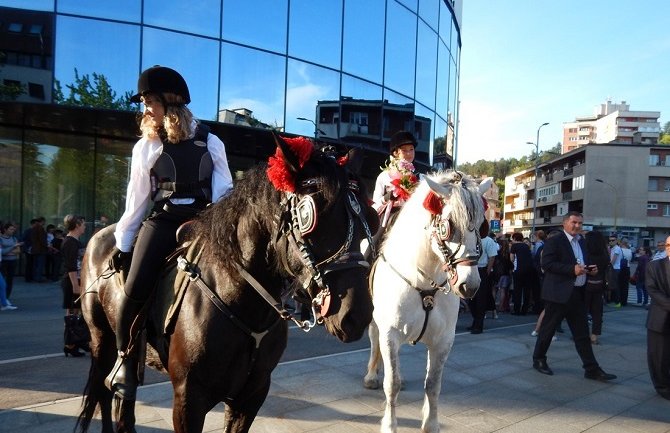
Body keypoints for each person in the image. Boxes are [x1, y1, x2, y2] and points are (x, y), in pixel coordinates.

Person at [105, 65, 233, 400]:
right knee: (133, 290)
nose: (145, 109)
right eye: (145, 103)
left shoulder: (212, 141)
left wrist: (220, 232)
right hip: (163, 222)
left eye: (149, 102)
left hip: (203, 224)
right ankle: (124, 363)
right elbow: (136, 201)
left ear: (169, 102)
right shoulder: (146, 146)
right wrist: (125, 241)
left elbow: (224, 193)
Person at [531, 211, 617, 381]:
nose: (577, 226)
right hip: (557, 294)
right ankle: (539, 360)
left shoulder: (582, 242)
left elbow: (581, 263)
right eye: (574, 222)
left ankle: (591, 369)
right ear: (565, 223)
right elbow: (547, 264)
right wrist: (572, 270)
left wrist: (591, 270)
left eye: (580, 223)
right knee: (547, 330)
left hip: (577, 293)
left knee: (582, 333)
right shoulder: (555, 240)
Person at [644, 235, 670, 400]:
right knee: (658, 356)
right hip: (660, 318)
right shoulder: (654, 266)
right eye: (668, 244)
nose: (668, 247)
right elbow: (652, 290)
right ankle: (663, 387)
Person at [372, 131, 418, 221]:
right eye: (404, 150)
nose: (409, 153)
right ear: (395, 153)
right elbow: (374, 207)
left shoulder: (420, 177)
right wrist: (386, 198)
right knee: (375, 234)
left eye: (411, 149)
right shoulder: (384, 177)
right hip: (390, 217)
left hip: (413, 217)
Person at [61, 215, 86, 357]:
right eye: (82, 224)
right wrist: (75, 286)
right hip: (72, 282)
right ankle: (70, 345)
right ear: (77, 225)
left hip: (77, 281)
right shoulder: (70, 242)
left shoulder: (76, 241)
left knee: (77, 313)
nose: (84, 226)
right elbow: (70, 266)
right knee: (71, 314)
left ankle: (77, 341)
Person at [467, 231, 499, 334]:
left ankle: (478, 325)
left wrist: (487, 271)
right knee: (470, 298)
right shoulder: (470, 238)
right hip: (470, 269)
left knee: (481, 299)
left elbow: (492, 257)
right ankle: (475, 321)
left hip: (481, 269)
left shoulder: (488, 240)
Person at [583, 230, 609, 345]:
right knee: (597, 312)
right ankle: (594, 336)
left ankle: (583, 334)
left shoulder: (586, 253)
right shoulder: (604, 253)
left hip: (586, 284)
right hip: (599, 284)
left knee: (582, 311)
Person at [510, 232, 534, 315]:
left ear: (515, 239)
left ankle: (517, 310)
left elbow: (512, 259)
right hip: (529, 270)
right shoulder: (526, 246)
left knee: (518, 291)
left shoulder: (514, 246)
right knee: (527, 291)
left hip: (518, 271)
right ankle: (525, 310)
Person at [1, 222, 23, 300]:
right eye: (11, 229)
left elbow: (18, 251)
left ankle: (6, 298)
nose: (12, 231)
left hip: (13, 261)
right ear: (5, 229)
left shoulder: (14, 238)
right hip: (3, 262)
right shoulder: (1, 239)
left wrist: (8, 251)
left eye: (13, 229)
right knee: (2, 280)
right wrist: (13, 246)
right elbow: (2, 252)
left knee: (10, 280)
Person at [607, 236, 623, 307]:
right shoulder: (611, 248)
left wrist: (609, 266)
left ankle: (618, 302)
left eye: (612, 240)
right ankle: (613, 300)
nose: (611, 242)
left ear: (616, 241)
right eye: (609, 240)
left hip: (615, 268)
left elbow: (613, 260)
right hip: (612, 268)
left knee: (615, 285)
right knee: (611, 284)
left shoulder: (617, 248)